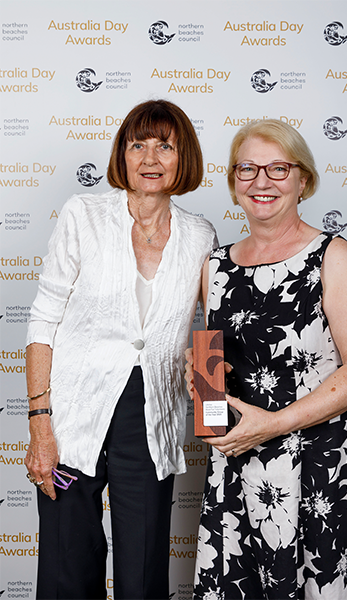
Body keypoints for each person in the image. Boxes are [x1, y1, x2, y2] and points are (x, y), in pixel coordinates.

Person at [185, 119, 347, 599]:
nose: (262, 181)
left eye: (278, 168)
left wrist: (274, 425)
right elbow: (209, 360)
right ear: (234, 182)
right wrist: (202, 385)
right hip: (239, 460)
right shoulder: (214, 265)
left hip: (321, 465)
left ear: (303, 180)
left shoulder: (331, 255)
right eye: (248, 169)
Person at [24, 99, 217, 600]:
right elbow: (42, 322)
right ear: (122, 154)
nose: (150, 157)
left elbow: (208, 336)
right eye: (138, 144)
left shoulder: (201, 236)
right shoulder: (82, 214)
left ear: (184, 158)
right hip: (70, 417)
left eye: (165, 146)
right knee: (68, 567)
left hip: (151, 418)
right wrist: (41, 424)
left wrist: (215, 421)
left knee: (143, 574)